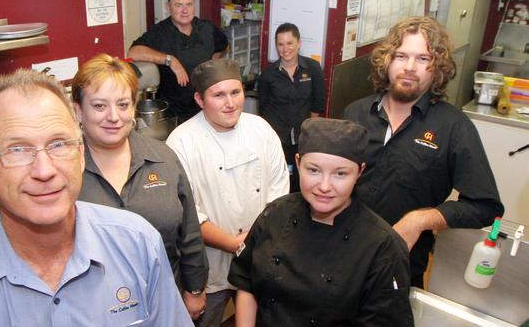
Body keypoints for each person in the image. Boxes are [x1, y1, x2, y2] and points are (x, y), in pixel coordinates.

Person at [0, 69, 193, 326]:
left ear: (81, 156)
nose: (44, 171)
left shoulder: (139, 244)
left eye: (59, 144)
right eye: (18, 150)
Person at [343, 16, 504, 288]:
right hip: (342, 258)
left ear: (437, 67)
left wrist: (420, 220)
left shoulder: (454, 126)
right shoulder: (355, 113)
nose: (408, 67)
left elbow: (485, 206)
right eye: (401, 56)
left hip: (401, 268)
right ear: (387, 60)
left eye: (422, 59)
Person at [228, 118, 414, 326]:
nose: (324, 186)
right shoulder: (276, 213)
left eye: (340, 174)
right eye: (313, 170)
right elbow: (246, 281)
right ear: (298, 163)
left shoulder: (383, 247)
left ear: (360, 171)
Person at [71, 53, 208, 320]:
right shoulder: (64, 171)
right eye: (99, 106)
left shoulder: (163, 157)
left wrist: (194, 288)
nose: (113, 116)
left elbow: (189, 231)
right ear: (78, 110)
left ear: (134, 106)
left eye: (123, 104)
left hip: (166, 299)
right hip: (93, 309)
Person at [166, 58, 290, 327]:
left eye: (235, 92)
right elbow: (187, 214)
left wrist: (254, 241)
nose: (230, 103)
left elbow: (279, 193)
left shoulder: (261, 129)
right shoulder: (182, 141)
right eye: (218, 95)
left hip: (261, 252)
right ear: (199, 99)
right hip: (208, 265)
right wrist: (236, 244)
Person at [128, 0, 229, 123]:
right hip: (174, 113)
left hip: (205, 107)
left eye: (189, 4)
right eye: (178, 5)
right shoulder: (160, 32)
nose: (185, 10)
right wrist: (170, 60)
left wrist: (212, 64)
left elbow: (223, 45)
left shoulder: (206, 28)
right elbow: (133, 52)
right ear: (168, 7)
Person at [257, 22, 326, 192]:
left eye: (290, 43)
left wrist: (310, 134)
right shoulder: (267, 74)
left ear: (299, 43)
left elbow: (318, 103)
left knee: (302, 179)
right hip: (278, 138)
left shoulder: (313, 69)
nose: (285, 49)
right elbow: (264, 108)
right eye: (280, 44)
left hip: (304, 137)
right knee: (279, 179)